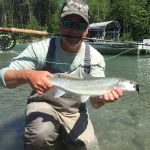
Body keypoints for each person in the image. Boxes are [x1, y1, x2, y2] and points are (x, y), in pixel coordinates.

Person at [0, 0, 123, 149]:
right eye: (68, 23)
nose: (74, 30)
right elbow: (3, 75)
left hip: (75, 109)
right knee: (39, 135)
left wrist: (102, 99)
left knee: (89, 146)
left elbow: (94, 104)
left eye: (80, 25)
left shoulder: (95, 58)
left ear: (86, 31)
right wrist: (28, 75)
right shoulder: (41, 49)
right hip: (42, 103)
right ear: (60, 25)